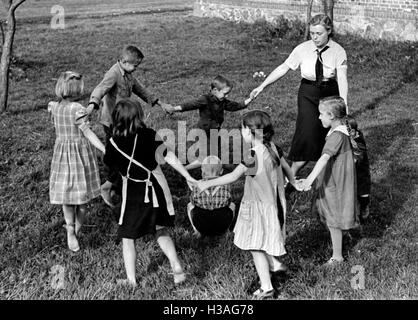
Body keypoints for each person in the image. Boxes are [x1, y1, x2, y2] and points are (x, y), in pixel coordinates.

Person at [197, 110, 299, 299]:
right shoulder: (272, 147)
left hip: (257, 207)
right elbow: (285, 166)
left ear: (249, 131)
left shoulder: (254, 154)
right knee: (261, 241)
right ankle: (275, 264)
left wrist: (207, 183)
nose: (241, 132)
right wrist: (294, 182)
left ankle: (267, 287)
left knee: (254, 246)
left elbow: (233, 176)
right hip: (273, 204)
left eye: (242, 129)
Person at [103, 98, 196, 287]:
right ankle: (176, 266)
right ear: (138, 116)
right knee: (160, 229)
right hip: (157, 187)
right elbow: (168, 156)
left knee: (128, 238)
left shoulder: (112, 142)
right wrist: (188, 176)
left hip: (133, 193)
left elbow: (111, 166)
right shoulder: (149, 134)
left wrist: (108, 185)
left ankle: (131, 280)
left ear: (116, 118)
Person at [250, 14, 348, 178]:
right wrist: (262, 86)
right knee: (307, 133)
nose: (314, 37)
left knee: (329, 134)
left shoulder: (338, 51)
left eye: (319, 33)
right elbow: (283, 68)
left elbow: (342, 78)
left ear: (329, 31)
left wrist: (344, 103)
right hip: (308, 93)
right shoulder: (302, 49)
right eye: (312, 33)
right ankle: (291, 175)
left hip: (330, 93)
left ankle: (327, 174)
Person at [86, 45, 172, 207]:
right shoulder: (113, 73)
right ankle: (109, 185)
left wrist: (161, 103)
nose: (136, 68)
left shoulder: (128, 74)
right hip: (113, 122)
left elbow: (140, 89)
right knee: (116, 154)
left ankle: (123, 182)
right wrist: (92, 104)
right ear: (124, 62)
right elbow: (100, 89)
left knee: (130, 150)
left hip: (126, 120)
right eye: (135, 65)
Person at [48, 71, 105, 252]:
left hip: (62, 155)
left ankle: (70, 229)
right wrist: (104, 148)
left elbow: (56, 123)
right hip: (79, 156)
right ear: (76, 90)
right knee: (82, 199)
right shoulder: (77, 109)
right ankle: (75, 231)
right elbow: (87, 133)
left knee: (67, 196)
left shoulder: (54, 107)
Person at [298, 96, 360, 265]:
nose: (319, 117)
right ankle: (339, 237)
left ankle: (337, 256)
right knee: (333, 213)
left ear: (331, 115)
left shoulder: (336, 136)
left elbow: (325, 158)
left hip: (336, 180)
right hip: (337, 176)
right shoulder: (340, 129)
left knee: (333, 216)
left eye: (321, 114)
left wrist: (310, 179)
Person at [167, 75, 252, 168]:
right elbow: (190, 105)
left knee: (217, 150)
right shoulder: (205, 99)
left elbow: (234, 106)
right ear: (215, 90)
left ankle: (221, 163)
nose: (227, 96)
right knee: (205, 156)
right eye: (225, 93)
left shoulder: (222, 100)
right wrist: (174, 109)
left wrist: (249, 100)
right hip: (204, 132)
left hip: (215, 130)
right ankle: (184, 169)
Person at [187, 155, 236, 237]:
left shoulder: (197, 185)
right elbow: (228, 201)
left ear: (202, 172)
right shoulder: (226, 184)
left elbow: (193, 201)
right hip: (221, 224)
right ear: (221, 171)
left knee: (189, 205)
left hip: (202, 224)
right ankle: (227, 231)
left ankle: (197, 232)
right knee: (232, 205)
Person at [346, 115, 371, 221]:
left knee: (363, 194)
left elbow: (357, 157)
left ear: (353, 132)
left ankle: (365, 207)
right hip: (350, 172)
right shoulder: (348, 138)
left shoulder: (359, 141)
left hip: (361, 172)